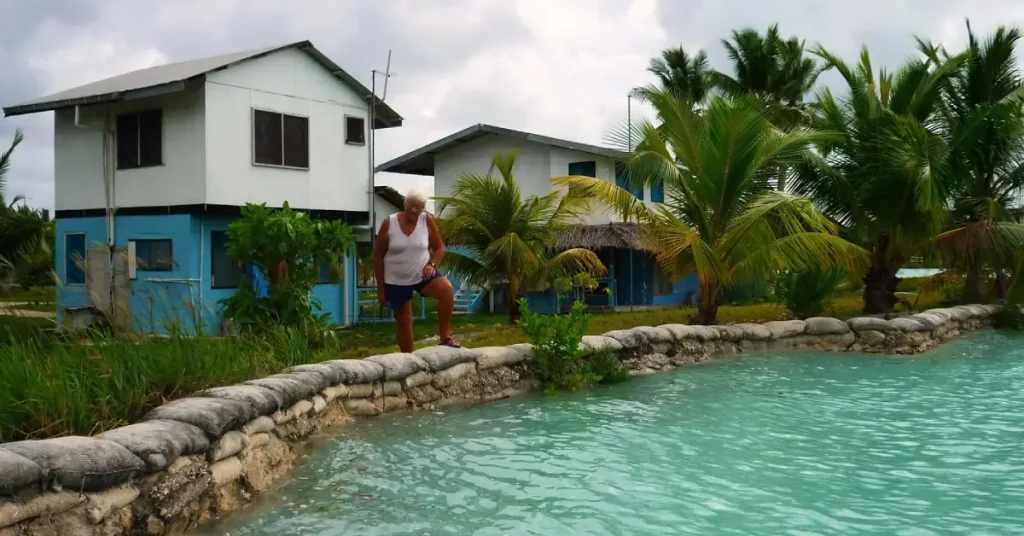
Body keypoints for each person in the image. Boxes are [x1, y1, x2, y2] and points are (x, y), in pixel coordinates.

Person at [374, 190, 461, 352]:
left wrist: (431, 265)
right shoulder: (389, 223)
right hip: (395, 279)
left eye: (419, 207)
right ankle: (408, 359)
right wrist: (381, 289)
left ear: (423, 209)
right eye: (411, 205)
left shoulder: (426, 220)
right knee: (404, 319)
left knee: (446, 289)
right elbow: (378, 255)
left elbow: (439, 248)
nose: (414, 210)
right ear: (405, 204)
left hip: (422, 274)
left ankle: (445, 337)